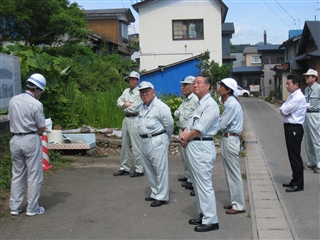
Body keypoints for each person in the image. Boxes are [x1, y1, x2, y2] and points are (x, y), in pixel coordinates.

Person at [179, 75, 220, 232]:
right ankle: (203, 214)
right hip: (194, 145)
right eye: (194, 83)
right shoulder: (199, 104)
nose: (195, 85)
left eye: (199, 83)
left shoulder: (210, 105)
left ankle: (211, 220)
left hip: (202, 146)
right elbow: (190, 124)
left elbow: (199, 128)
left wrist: (185, 138)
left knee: (204, 185)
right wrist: (184, 136)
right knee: (197, 185)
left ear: (208, 86)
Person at [8, 73, 47, 216]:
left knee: (17, 174)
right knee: (34, 175)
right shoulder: (36, 104)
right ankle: (32, 208)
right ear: (37, 89)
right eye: (40, 91)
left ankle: (15, 207)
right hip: (30, 139)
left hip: (15, 140)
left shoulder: (13, 100)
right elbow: (41, 126)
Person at [138, 81, 174, 207]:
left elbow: (169, 125)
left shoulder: (161, 107)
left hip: (157, 139)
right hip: (144, 140)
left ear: (153, 92)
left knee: (160, 169)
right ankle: (155, 192)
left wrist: (165, 138)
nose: (144, 94)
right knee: (149, 168)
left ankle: (162, 196)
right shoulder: (141, 107)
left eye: (147, 92)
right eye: (142, 92)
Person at [218, 78, 246, 214]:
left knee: (233, 173)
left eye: (222, 86)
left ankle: (239, 205)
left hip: (230, 138)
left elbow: (221, 124)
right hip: (228, 138)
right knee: (230, 173)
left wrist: (222, 121)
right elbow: (224, 123)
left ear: (228, 90)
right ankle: (235, 201)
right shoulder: (229, 102)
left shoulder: (231, 104)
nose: (219, 88)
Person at [113, 71, 144, 177]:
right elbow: (118, 102)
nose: (131, 80)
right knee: (124, 145)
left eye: (133, 79)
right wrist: (127, 104)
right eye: (130, 79)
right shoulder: (126, 91)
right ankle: (124, 168)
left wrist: (124, 104)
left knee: (136, 145)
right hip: (126, 119)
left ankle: (140, 168)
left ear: (138, 80)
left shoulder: (139, 92)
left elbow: (134, 107)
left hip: (135, 118)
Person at [279, 74, 306, 192]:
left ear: (296, 85)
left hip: (295, 128)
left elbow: (284, 110)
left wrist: (285, 111)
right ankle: (295, 179)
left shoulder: (298, 97)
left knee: (295, 156)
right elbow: (282, 109)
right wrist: (285, 111)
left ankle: (299, 183)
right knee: (291, 155)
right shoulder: (292, 96)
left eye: (288, 84)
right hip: (289, 127)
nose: (286, 86)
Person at [174, 76, 198, 191]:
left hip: (189, 132)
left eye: (185, 85)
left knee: (191, 158)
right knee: (185, 157)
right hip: (182, 130)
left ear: (193, 86)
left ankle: (194, 181)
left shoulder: (195, 99)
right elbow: (177, 113)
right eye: (182, 85)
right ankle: (188, 177)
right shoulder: (185, 99)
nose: (182, 87)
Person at [302, 69, 320, 174]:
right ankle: (311, 161)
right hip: (307, 114)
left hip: (316, 114)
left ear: (314, 78)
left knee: (316, 139)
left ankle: (319, 162)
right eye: (306, 76)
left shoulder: (318, 88)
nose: (306, 78)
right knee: (308, 139)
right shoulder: (307, 89)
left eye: (308, 76)